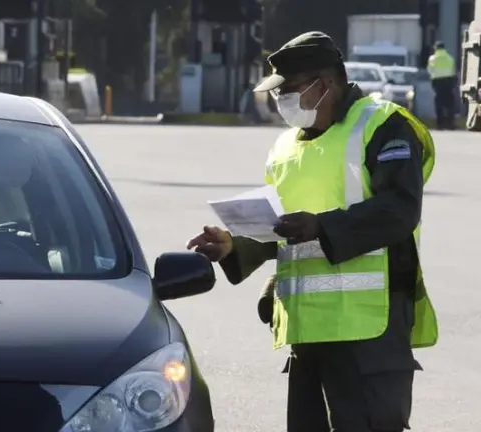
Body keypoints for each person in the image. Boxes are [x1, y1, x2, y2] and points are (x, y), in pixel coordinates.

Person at [187, 31, 438, 432]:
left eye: (288, 90)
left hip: (368, 332)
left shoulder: (383, 126)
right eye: (277, 92)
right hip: (307, 335)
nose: (281, 99)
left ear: (325, 84)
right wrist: (234, 244)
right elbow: (282, 226)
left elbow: (398, 209)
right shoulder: (285, 148)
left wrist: (322, 227)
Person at [427, 41, 457, 130]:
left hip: (437, 83)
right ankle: (450, 123)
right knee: (450, 104)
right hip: (448, 82)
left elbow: (430, 70)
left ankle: (440, 124)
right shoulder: (450, 58)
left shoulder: (432, 58)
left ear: (436, 48)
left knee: (438, 103)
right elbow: (453, 72)